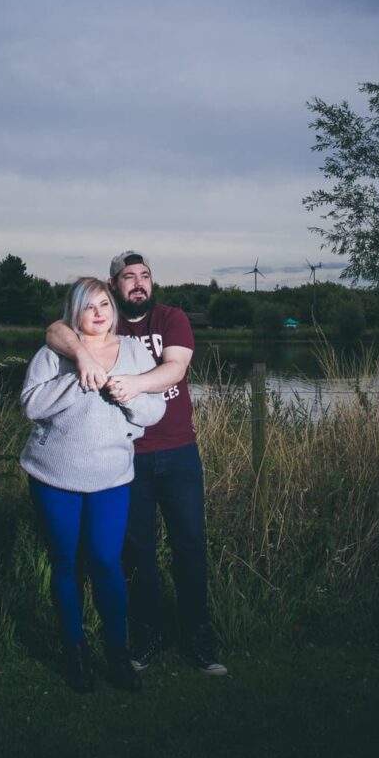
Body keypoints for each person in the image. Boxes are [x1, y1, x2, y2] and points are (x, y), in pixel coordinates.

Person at [47, 250, 226, 675]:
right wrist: (84, 355)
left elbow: (176, 368)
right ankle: (145, 637)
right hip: (128, 456)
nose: (139, 283)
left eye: (145, 276)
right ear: (113, 285)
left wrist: (133, 385)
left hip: (179, 450)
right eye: (129, 277)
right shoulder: (102, 320)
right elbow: (55, 329)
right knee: (136, 551)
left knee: (190, 545)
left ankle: (198, 639)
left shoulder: (171, 317)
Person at [20, 276, 164, 693]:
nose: (99, 313)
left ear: (113, 309)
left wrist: (129, 394)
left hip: (111, 478)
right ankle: (76, 655)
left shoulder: (134, 351)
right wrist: (80, 372)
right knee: (64, 563)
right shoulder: (54, 352)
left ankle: (117, 655)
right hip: (54, 476)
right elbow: (31, 404)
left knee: (105, 562)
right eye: (89, 306)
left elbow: (152, 412)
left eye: (104, 304)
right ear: (75, 313)